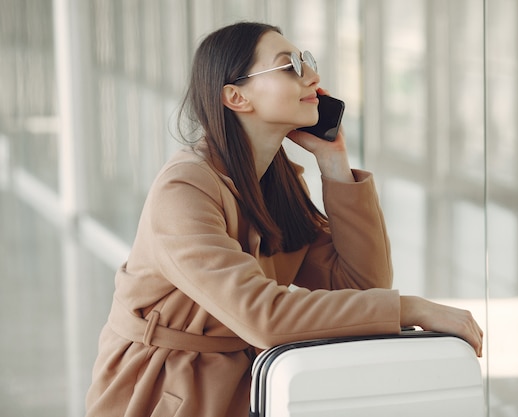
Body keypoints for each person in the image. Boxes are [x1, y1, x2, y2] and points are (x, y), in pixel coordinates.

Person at [85, 21, 483, 417]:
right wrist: (408, 309)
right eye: (290, 65)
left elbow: (361, 284)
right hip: (162, 389)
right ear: (236, 97)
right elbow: (263, 316)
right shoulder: (184, 189)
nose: (313, 76)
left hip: (247, 384)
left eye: (305, 60)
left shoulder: (278, 182)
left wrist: (333, 163)